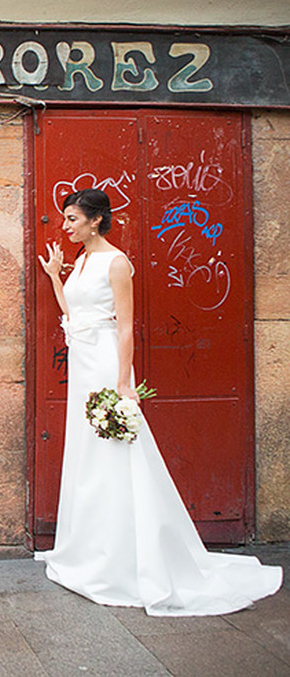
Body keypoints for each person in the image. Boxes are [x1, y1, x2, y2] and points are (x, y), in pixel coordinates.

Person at [35, 188, 281, 616]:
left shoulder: (117, 263)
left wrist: (123, 383)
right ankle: (88, 548)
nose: (65, 226)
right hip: (83, 365)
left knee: (115, 452)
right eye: (66, 218)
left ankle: (125, 556)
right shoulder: (83, 261)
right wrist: (57, 276)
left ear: (96, 220)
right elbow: (73, 315)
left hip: (106, 365)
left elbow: (125, 327)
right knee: (87, 453)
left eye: (72, 218)